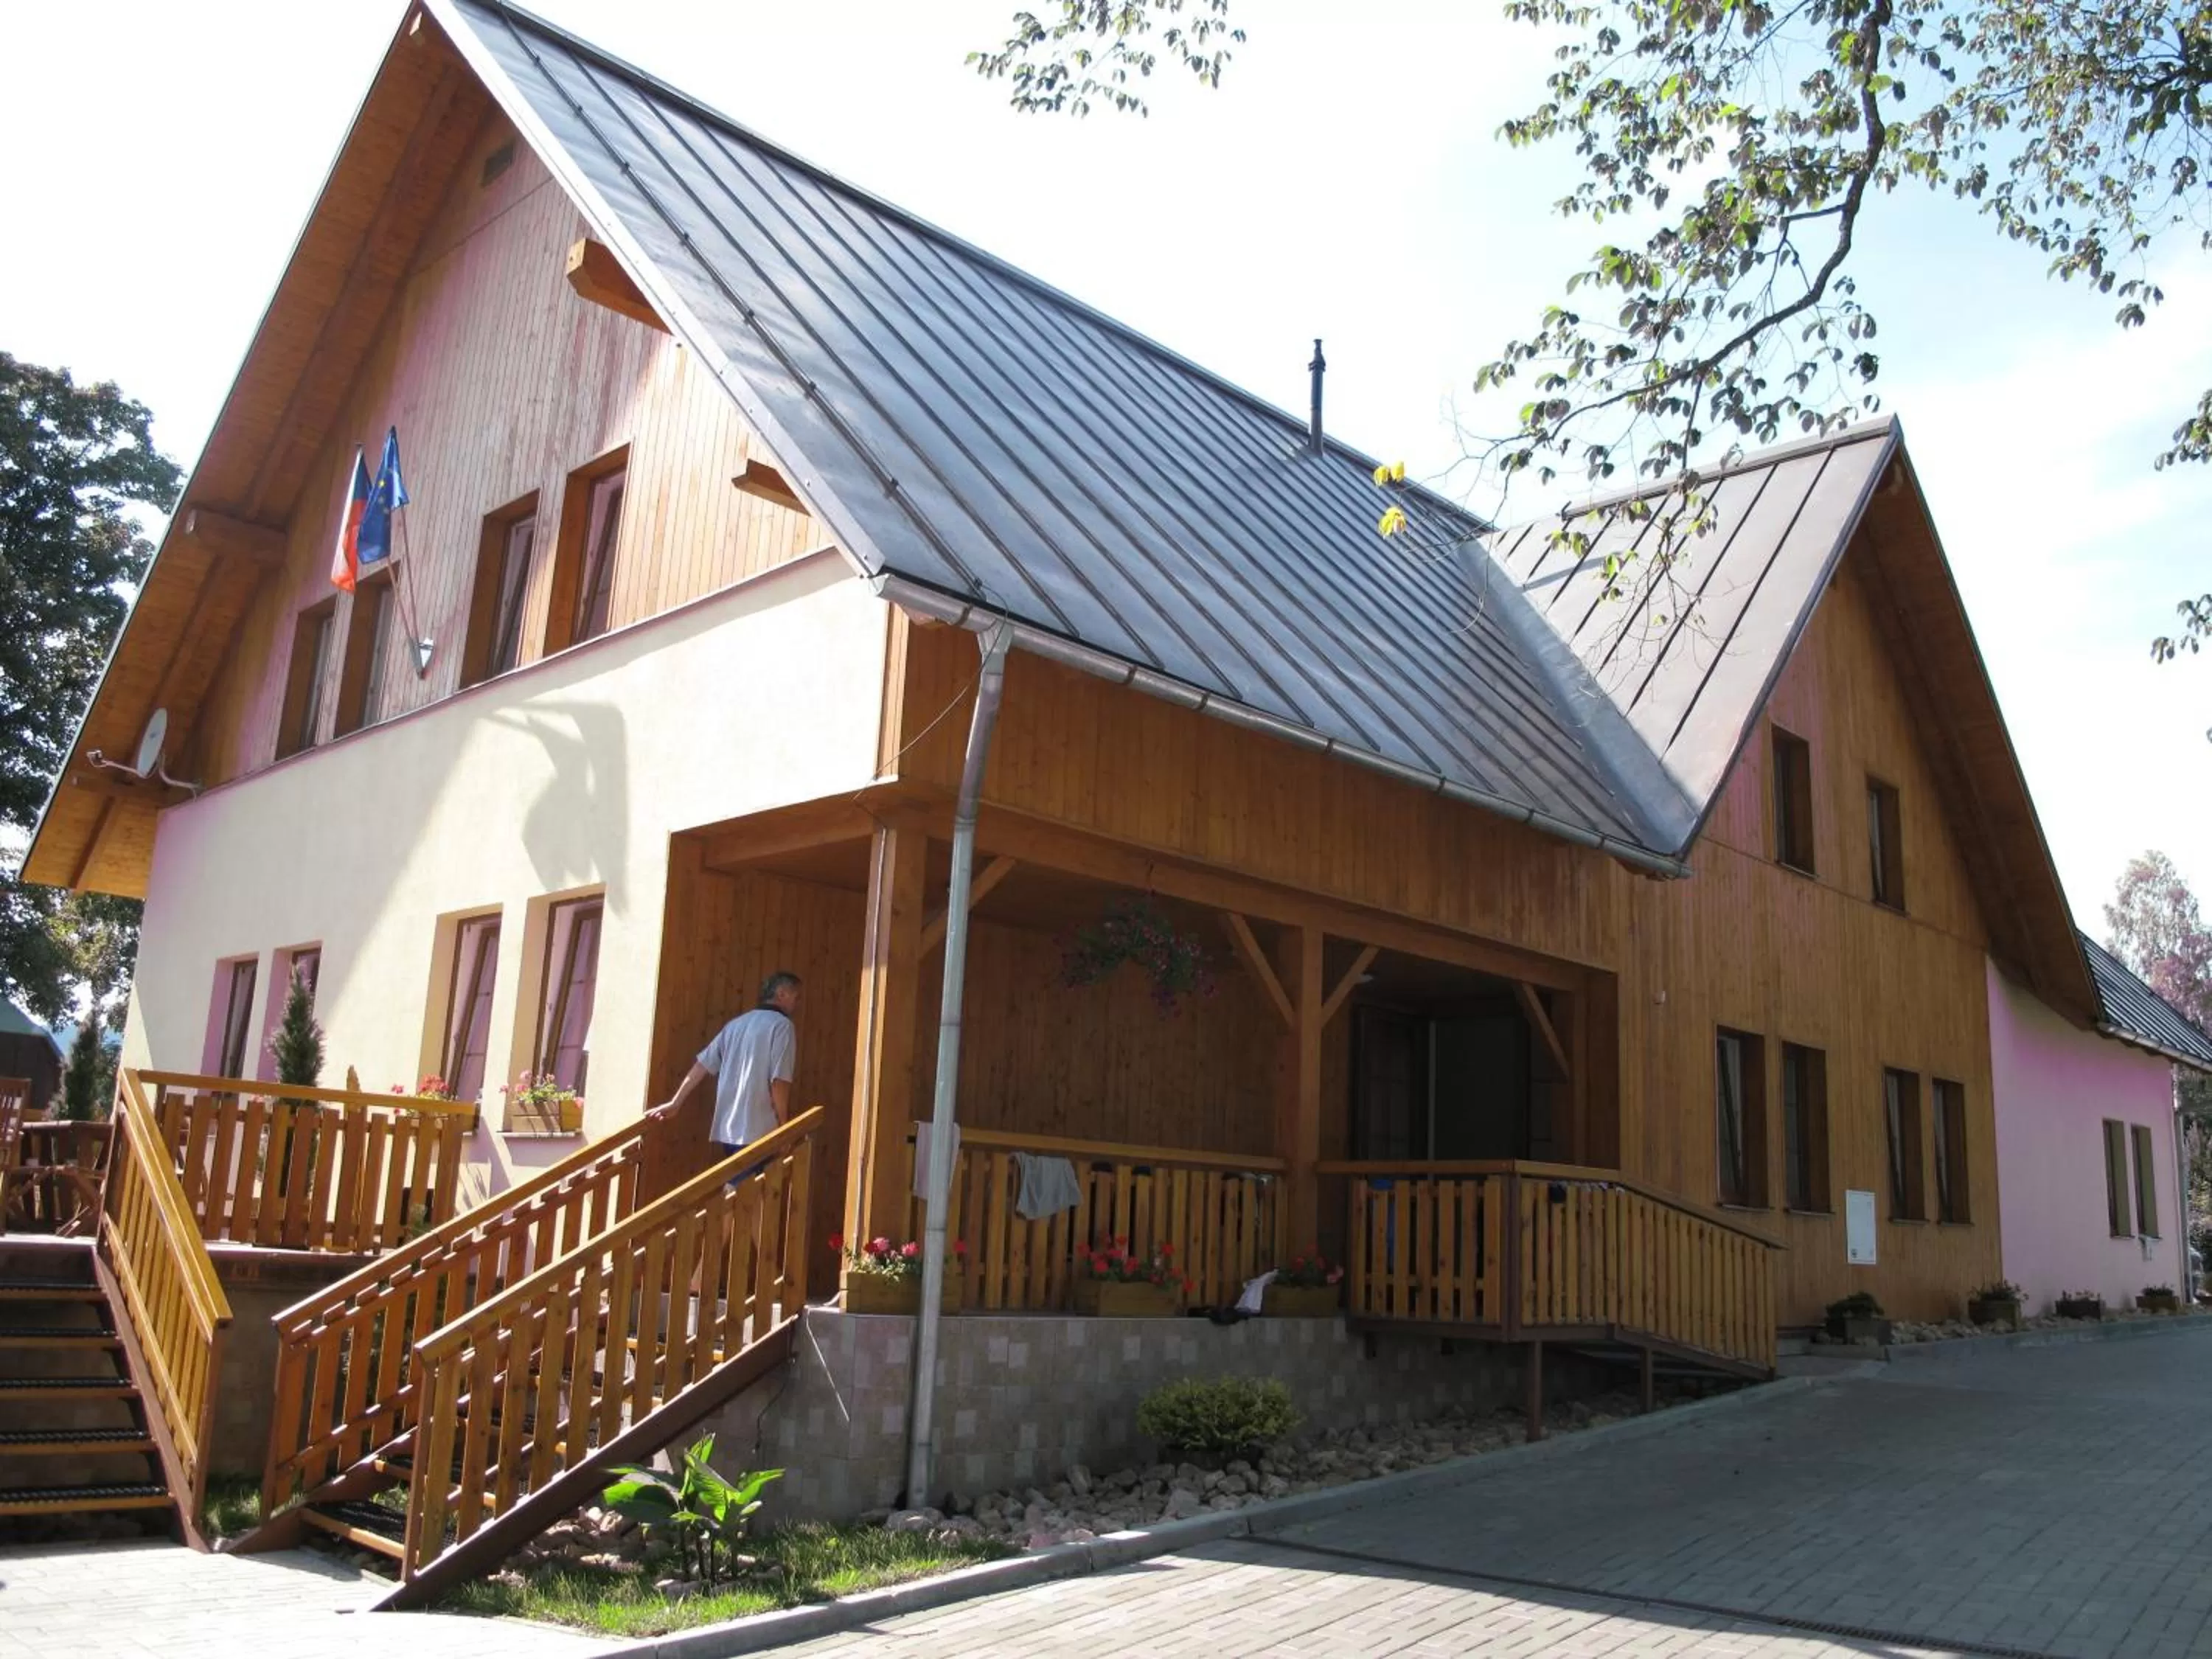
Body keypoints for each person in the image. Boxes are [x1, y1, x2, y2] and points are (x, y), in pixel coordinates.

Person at [648, 971, 801, 1161]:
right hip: (761, 1127)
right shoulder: (782, 1026)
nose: (797, 1004)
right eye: (796, 996)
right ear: (782, 994)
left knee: (739, 1185)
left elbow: (702, 1064)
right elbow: (779, 1080)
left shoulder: (735, 1026)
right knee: (754, 1187)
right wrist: (784, 1124)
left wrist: (676, 1102)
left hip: (729, 1127)